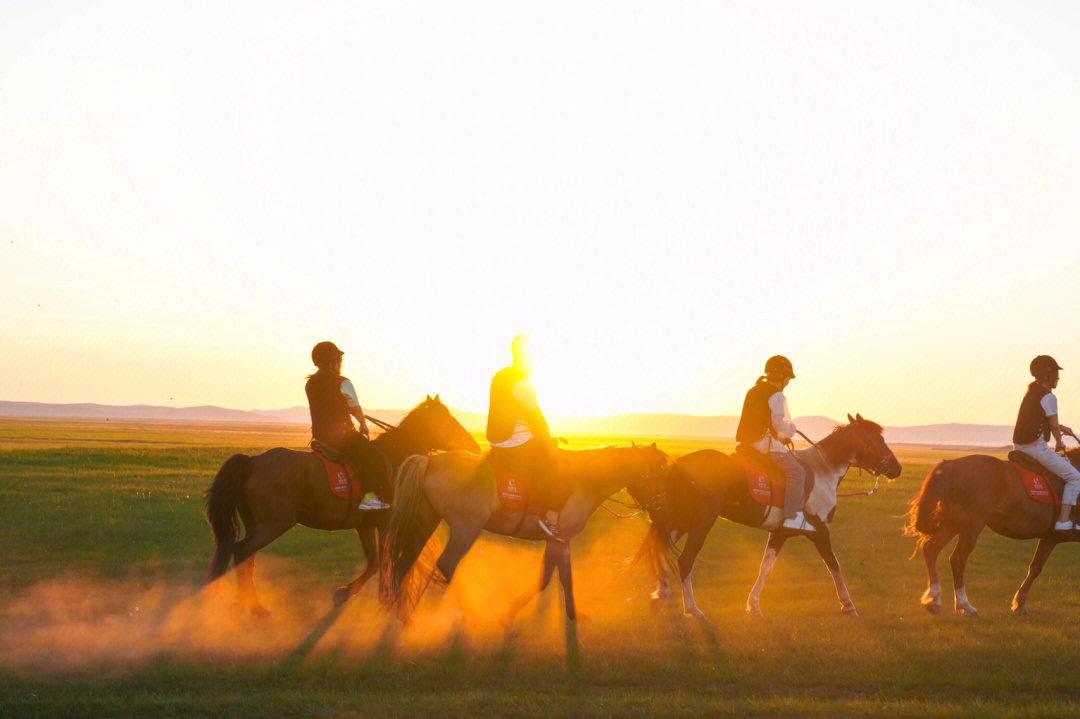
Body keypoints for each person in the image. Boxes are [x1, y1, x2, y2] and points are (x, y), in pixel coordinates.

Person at [486, 335, 562, 541]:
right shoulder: (523, 385)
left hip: (495, 438)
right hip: (515, 441)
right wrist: (549, 442)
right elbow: (538, 422)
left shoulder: (500, 376)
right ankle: (550, 520)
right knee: (552, 464)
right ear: (524, 357)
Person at [305, 341, 390, 511]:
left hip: (321, 437)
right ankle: (370, 498)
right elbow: (355, 407)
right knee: (377, 458)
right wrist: (363, 425)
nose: (340, 364)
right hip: (343, 436)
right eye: (338, 360)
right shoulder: (342, 382)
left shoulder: (310, 384)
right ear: (331, 361)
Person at [735, 355, 814, 532]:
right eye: (787, 378)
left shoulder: (754, 390)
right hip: (764, 445)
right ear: (779, 376)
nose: (787, 382)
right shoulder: (776, 396)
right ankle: (791, 517)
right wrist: (791, 430)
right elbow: (780, 424)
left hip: (747, 443)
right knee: (798, 473)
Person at [1013, 355, 1080, 534]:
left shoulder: (1032, 392)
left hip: (1020, 447)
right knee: (1075, 477)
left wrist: (1061, 427)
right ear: (1046, 375)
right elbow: (1051, 426)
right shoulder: (1050, 397)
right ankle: (1064, 521)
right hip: (1036, 448)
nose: (1058, 377)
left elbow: (1040, 419)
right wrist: (1060, 443)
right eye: (1056, 373)